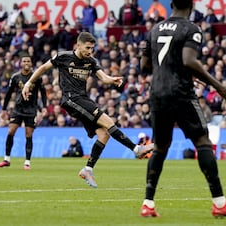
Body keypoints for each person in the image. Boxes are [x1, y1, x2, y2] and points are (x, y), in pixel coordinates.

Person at [139, 0, 226, 218]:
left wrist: (172, 71)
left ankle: (148, 204)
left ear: (171, 4)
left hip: (157, 94)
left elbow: (145, 65)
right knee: (202, 141)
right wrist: (218, 86)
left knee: (160, 147)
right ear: (191, 6)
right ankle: (219, 203)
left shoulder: (154, 29)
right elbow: (189, 60)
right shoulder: (191, 29)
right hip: (181, 93)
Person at [21, 32, 153, 188]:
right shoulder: (64, 57)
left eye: (92, 48)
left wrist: (112, 79)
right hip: (71, 99)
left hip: (83, 99)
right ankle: (136, 149)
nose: (90, 51)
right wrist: (29, 83)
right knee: (108, 121)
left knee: (104, 134)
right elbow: (44, 67)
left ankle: (88, 169)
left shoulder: (91, 61)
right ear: (78, 45)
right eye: (88, 47)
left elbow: (103, 78)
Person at [0, 55, 47, 170]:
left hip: (31, 110)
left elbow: (43, 92)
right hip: (18, 109)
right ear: (20, 63)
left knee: (28, 135)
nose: (26, 63)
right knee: (11, 131)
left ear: (31, 63)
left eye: (28, 61)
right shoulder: (15, 77)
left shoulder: (37, 77)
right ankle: (6, 159)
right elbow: (9, 94)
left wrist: (44, 106)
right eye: (24, 61)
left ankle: (27, 162)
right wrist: (4, 109)